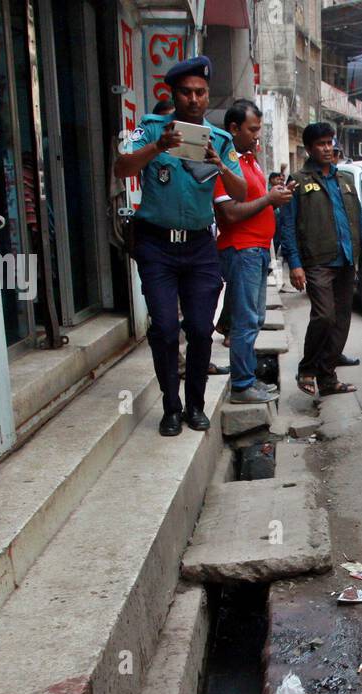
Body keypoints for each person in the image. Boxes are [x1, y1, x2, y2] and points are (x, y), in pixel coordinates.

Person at [112, 56, 246, 437]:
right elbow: (122, 167)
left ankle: (195, 406)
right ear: (172, 94)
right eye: (186, 92)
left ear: (207, 97)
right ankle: (171, 407)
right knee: (166, 329)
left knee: (202, 329)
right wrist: (158, 147)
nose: (194, 99)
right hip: (157, 246)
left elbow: (241, 192)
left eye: (200, 93)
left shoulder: (219, 140)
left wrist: (220, 165)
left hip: (200, 248)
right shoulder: (150, 129)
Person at [278, 122, 362, 396]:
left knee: (341, 320)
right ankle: (307, 368)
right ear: (309, 149)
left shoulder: (344, 181)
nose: (326, 148)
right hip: (317, 261)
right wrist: (295, 264)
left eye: (329, 142)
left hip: (347, 260)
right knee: (324, 315)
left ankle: (327, 376)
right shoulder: (298, 182)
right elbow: (287, 226)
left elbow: (359, 221)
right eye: (320, 144)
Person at [214, 99, 293, 404]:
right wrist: (269, 200)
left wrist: (275, 197)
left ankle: (247, 380)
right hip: (241, 249)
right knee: (246, 321)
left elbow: (258, 200)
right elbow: (230, 214)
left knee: (255, 318)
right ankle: (242, 385)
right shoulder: (226, 164)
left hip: (258, 249)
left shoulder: (250, 159)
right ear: (234, 128)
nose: (257, 135)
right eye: (253, 129)